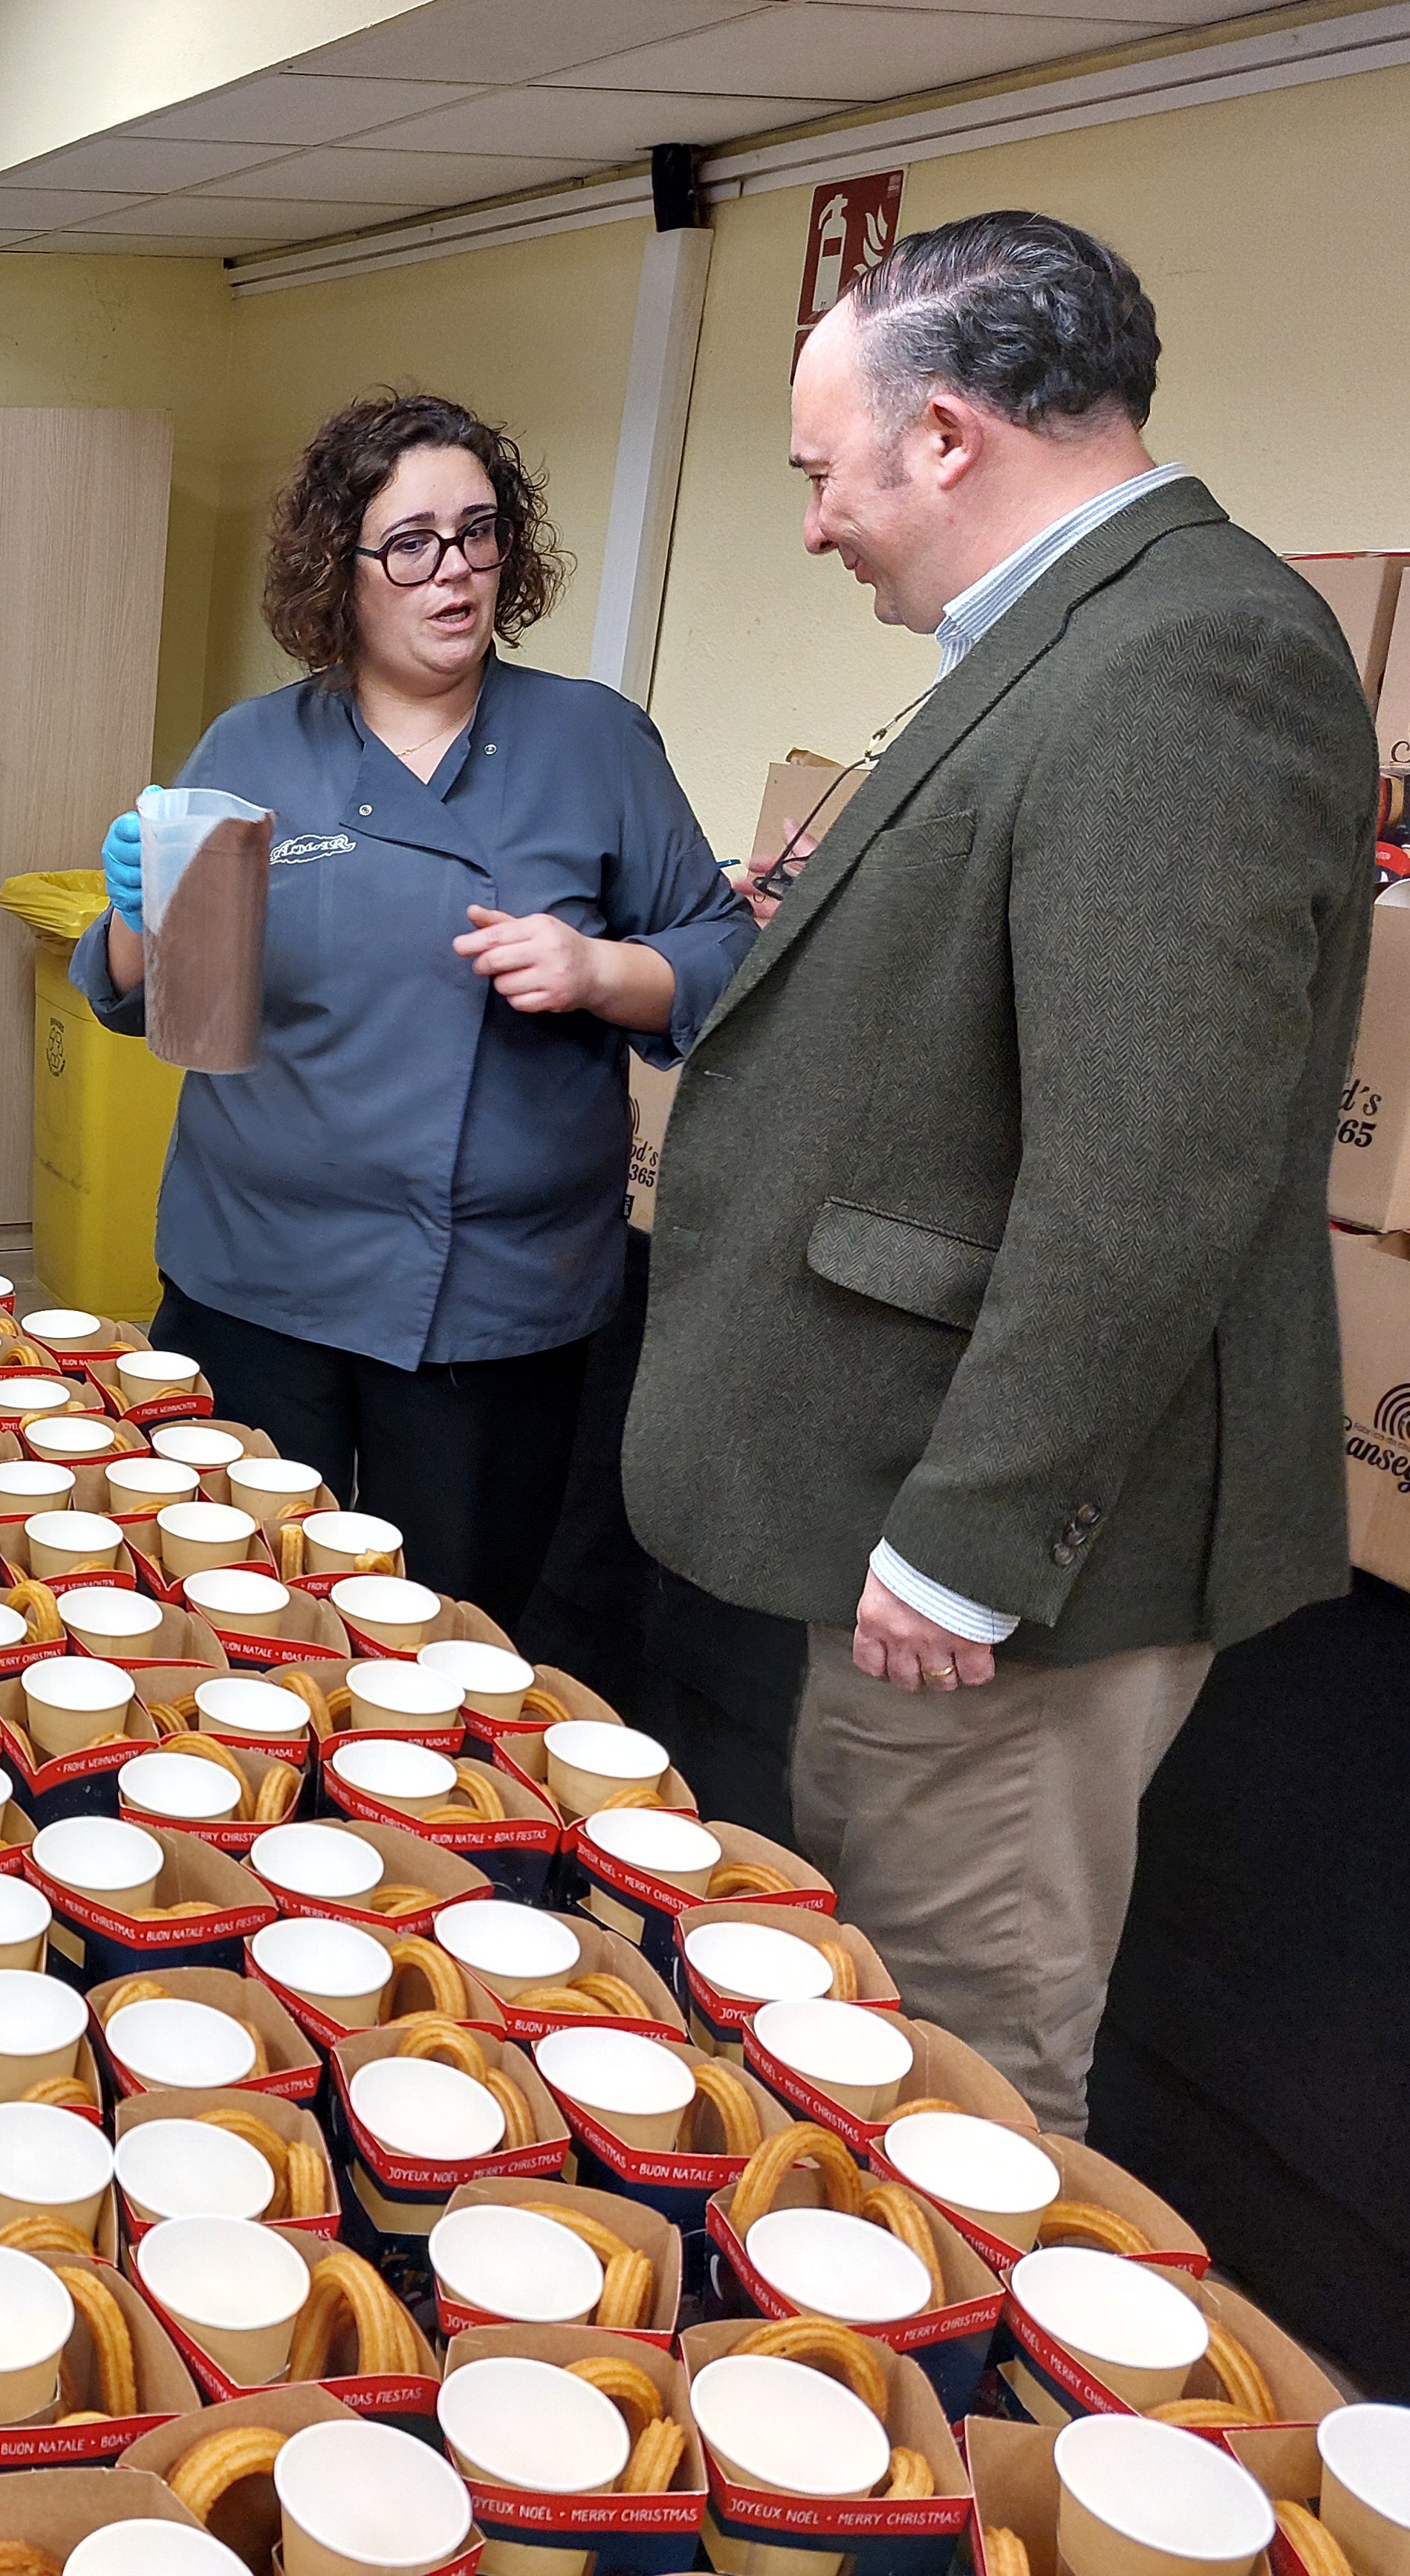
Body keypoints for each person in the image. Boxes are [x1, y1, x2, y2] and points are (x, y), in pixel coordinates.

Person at [624, 213, 1377, 2135]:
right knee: (869, 1987)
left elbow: (1150, 1173)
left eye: (823, 474)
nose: (816, 526)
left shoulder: (1188, 658)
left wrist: (972, 1538)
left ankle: (962, 2335)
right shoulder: (1076, 634)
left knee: (956, 2058)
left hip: (1010, 1557)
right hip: (909, 1494)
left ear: (945, 435)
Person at [73, 391, 747, 1629]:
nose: (454, 572)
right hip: (259, 1275)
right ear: (338, 570)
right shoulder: (254, 746)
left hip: (493, 1298)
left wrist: (599, 971)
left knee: (444, 1628)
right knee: (235, 1606)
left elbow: (721, 950)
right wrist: (135, 908)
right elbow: (145, 994)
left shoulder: (591, 742)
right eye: (410, 544)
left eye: (478, 532)